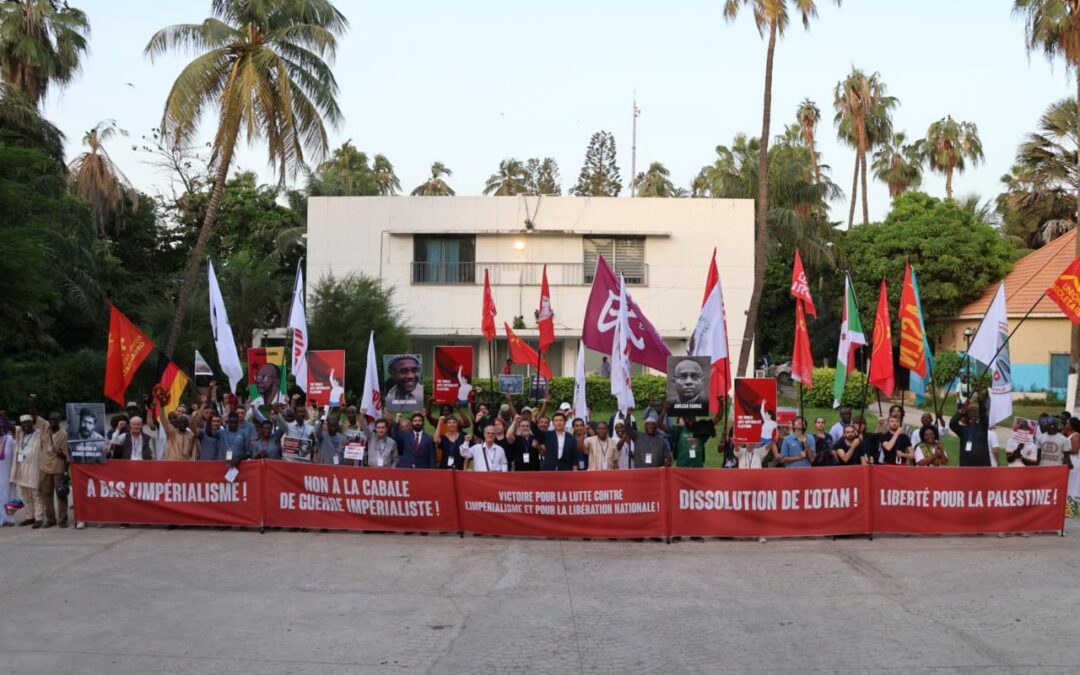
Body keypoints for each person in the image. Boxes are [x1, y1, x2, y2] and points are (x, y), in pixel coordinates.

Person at [11, 401, 49, 528]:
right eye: (23, 424)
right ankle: (29, 517)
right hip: (22, 469)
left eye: (27, 423)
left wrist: (32, 404)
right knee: (25, 495)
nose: (25, 426)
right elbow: (11, 428)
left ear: (32, 423)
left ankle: (39, 518)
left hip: (34, 468)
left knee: (36, 495)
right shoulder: (19, 434)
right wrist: (3, 417)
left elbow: (36, 417)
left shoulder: (39, 433)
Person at [664, 401, 722, 468]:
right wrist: (664, 410)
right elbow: (660, 425)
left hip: (697, 469)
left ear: (695, 418)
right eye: (688, 418)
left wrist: (721, 403)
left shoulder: (702, 427)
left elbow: (718, 417)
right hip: (682, 469)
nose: (690, 421)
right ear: (684, 419)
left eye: (692, 418)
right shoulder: (679, 430)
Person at [39, 412, 69, 528]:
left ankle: (62, 519)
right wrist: (31, 402)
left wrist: (66, 472)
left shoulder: (63, 435)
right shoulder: (46, 427)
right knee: (46, 495)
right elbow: (35, 416)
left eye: (55, 420)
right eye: (50, 420)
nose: (52, 422)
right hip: (45, 467)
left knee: (61, 494)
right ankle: (50, 519)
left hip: (58, 468)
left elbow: (66, 456)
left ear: (59, 420)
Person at [949, 394, 992, 467]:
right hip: (966, 465)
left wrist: (981, 402)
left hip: (982, 465)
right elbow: (952, 423)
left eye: (974, 417)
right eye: (970, 417)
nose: (972, 419)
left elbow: (983, 415)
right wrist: (963, 409)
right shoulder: (962, 430)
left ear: (977, 418)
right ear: (966, 418)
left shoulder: (983, 427)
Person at [0, 417, 16, 526]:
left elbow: (15, 457)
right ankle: (2, 519)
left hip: (8, 472)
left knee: (10, 495)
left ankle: (10, 519)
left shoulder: (10, 439)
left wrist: (14, 473)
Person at [1067, 418, 1080, 517]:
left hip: (1074, 462)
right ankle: (1069, 509)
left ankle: (1072, 510)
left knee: (1072, 486)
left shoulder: (1075, 436)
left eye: (1068, 423)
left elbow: (1075, 450)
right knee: (1070, 485)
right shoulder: (1073, 435)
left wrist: (1064, 450)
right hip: (1071, 461)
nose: (1066, 424)